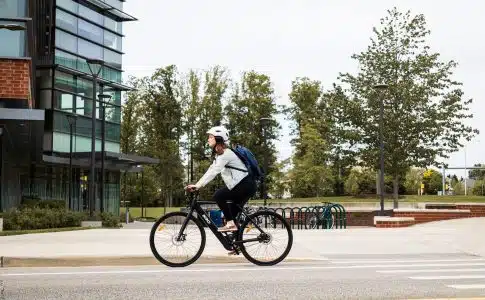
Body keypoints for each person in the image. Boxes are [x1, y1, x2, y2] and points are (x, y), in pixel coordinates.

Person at [185, 125, 257, 232]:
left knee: (219, 196)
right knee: (231, 215)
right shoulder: (220, 155)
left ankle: (231, 225)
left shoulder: (226, 154)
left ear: (218, 138)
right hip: (245, 186)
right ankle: (236, 243)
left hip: (245, 185)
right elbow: (211, 169)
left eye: (210, 137)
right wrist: (198, 185)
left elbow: (214, 172)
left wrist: (198, 185)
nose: (208, 139)